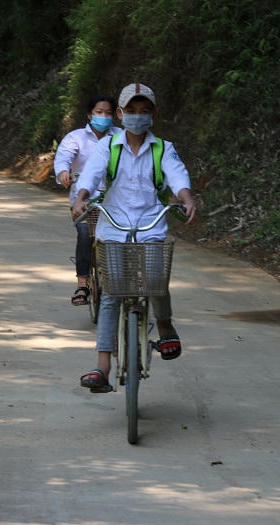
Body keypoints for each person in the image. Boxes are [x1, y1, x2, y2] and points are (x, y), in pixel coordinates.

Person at [71, 82, 196, 393]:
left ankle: (165, 326)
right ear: (120, 113)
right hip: (114, 228)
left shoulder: (162, 148)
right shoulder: (108, 147)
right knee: (111, 296)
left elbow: (177, 174)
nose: (137, 116)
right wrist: (82, 195)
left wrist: (186, 196)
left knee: (155, 282)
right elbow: (92, 173)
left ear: (152, 115)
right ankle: (102, 366)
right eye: (131, 111)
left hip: (150, 226)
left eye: (144, 111)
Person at [54, 95, 122, 306]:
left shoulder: (121, 136)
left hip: (115, 200)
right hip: (84, 201)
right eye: (99, 112)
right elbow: (63, 157)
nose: (103, 116)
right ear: (89, 115)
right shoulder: (75, 138)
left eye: (108, 113)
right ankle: (83, 284)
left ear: (115, 116)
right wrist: (63, 171)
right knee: (85, 235)